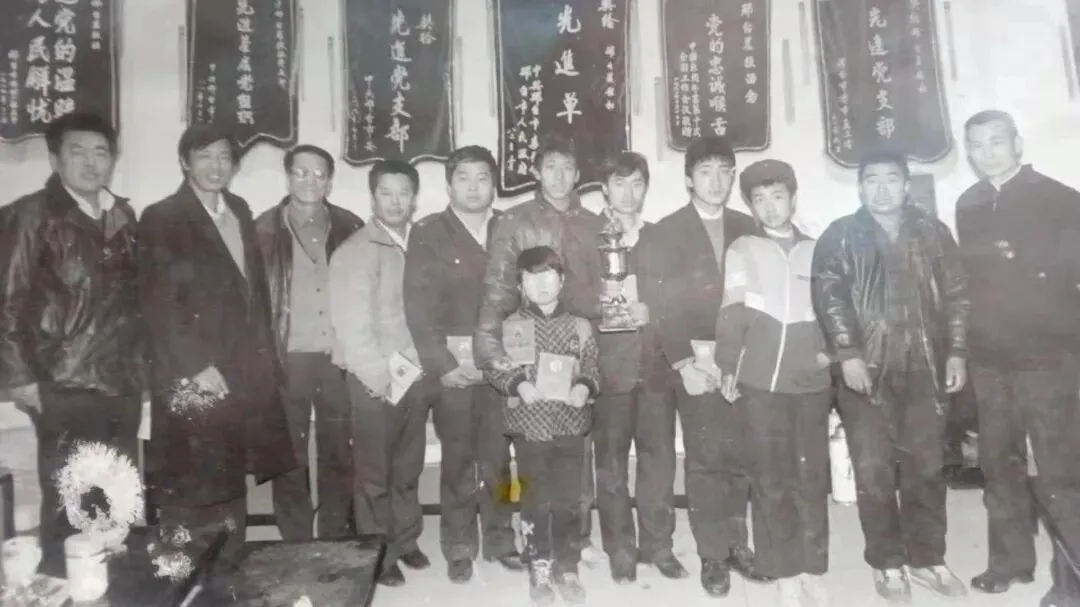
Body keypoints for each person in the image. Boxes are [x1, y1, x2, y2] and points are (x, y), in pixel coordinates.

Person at [811, 149, 970, 603]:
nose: (882, 189)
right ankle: (887, 563)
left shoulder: (933, 233)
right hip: (867, 370)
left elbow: (958, 295)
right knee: (873, 470)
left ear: (905, 185)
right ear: (861, 187)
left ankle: (928, 558)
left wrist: (957, 352)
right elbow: (830, 298)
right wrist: (848, 354)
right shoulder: (841, 235)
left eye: (891, 179)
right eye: (872, 180)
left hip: (925, 366)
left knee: (927, 467)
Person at [139, 125, 295, 570]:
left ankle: (227, 571)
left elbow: (252, 292)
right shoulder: (162, 217)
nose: (216, 166)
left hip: (238, 367)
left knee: (228, 475)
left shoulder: (239, 210)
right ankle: (185, 578)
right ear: (184, 162)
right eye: (204, 156)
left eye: (225, 157)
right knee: (191, 479)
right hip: (192, 371)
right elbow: (158, 303)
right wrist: (196, 366)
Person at [0, 112, 143, 576]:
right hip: (62, 382)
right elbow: (8, 302)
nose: (90, 162)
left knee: (116, 499)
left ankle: (111, 593)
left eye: (101, 152)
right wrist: (21, 378)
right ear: (55, 158)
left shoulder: (123, 216)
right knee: (69, 502)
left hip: (120, 381)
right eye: (77, 151)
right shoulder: (30, 215)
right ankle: (64, 591)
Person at [956, 110, 1080, 604]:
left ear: (1018, 143)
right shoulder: (968, 203)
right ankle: (1010, 561)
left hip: (1047, 358)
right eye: (977, 145)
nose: (987, 153)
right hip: (990, 359)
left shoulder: (1059, 199)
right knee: (998, 463)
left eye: (997, 142)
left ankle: (1071, 580)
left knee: (1059, 471)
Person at [474, 134, 607, 565]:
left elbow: (607, 292)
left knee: (575, 452)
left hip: (576, 342)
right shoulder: (514, 220)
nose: (559, 176)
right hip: (525, 345)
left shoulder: (596, 224)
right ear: (536, 172)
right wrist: (495, 357)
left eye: (567, 168)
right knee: (520, 458)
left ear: (578, 174)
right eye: (550, 167)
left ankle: (575, 539)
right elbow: (498, 290)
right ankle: (521, 541)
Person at [644, 135, 768, 597]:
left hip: (744, 361)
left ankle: (738, 545)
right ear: (688, 179)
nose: (715, 181)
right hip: (693, 363)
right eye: (705, 172)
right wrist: (682, 363)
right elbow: (659, 305)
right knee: (705, 460)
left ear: (733, 177)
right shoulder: (665, 231)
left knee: (741, 456)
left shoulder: (750, 226)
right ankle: (713, 554)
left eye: (723, 172)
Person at [714, 160, 832, 606]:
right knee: (770, 479)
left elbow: (833, 310)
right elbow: (732, 310)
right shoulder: (743, 249)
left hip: (811, 382)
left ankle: (813, 568)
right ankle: (783, 570)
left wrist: (829, 354)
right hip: (760, 383)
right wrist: (729, 365)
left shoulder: (818, 250)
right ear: (751, 206)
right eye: (759, 199)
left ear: (793, 199)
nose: (769, 207)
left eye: (777, 196)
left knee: (810, 477)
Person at [403, 145, 524, 582]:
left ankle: (501, 539)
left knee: (500, 458)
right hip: (454, 369)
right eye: (464, 178)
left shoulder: (510, 227)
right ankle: (458, 545)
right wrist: (441, 364)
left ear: (494, 185)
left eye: (482, 178)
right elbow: (418, 306)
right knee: (457, 460)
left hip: (502, 366)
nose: (474, 187)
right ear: (449, 185)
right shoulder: (429, 233)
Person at [254, 144, 364, 541]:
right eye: (301, 172)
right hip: (287, 358)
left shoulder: (349, 225)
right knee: (289, 456)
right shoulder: (262, 230)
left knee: (339, 450)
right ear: (287, 177)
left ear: (330, 181)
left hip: (337, 358)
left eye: (319, 174)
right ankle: (296, 541)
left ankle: (335, 535)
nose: (310, 181)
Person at [329, 159, 429, 586]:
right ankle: (379, 555)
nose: (395, 201)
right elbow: (351, 326)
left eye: (403, 193)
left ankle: (406, 540)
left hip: (415, 374)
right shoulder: (356, 250)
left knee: (407, 467)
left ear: (414, 198)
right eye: (386, 193)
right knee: (374, 474)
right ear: (373, 197)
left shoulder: (421, 244)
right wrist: (378, 377)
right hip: (375, 379)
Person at [483, 246, 601, 606]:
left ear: (562, 280)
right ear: (521, 285)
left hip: (570, 424)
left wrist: (584, 388)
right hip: (530, 427)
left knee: (568, 501)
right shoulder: (509, 326)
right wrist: (518, 384)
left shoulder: (580, 326)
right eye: (532, 277)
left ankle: (568, 567)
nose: (542, 284)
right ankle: (539, 566)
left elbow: (592, 367)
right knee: (535, 500)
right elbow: (494, 367)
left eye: (549, 275)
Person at [589, 152, 684, 584]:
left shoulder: (661, 237)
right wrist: (605, 306)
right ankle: (620, 549)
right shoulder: (588, 235)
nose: (628, 193)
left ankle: (658, 545)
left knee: (658, 461)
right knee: (610, 464)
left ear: (646, 188)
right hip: (609, 368)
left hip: (656, 366)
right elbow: (571, 294)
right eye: (619, 183)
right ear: (604, 188)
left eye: (637, 184)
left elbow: (679, 298)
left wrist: (653, 312)